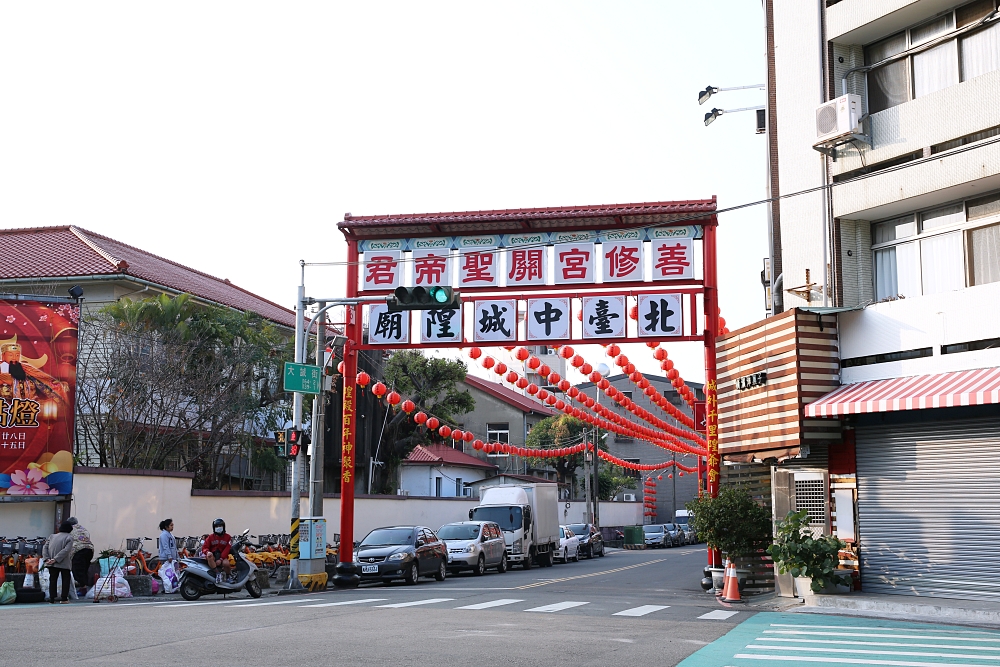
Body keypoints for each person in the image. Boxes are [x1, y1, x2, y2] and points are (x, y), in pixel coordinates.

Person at [43, 521, 74, 604]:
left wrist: (47, 559)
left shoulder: (52, 536)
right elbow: (66, 550)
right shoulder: (69, 537)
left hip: (51, 563)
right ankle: (64, 598)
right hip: (63, 562)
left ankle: (52, 599)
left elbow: (45, 547)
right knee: (65, 579)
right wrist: (56, 559)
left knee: (53, 580)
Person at [201, 518, 234, 584]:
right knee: (209, 556)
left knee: (226, 564)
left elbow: (227, 549)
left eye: (220, 526)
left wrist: (221, 559)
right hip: (213, 556)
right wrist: (208, 552)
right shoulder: (210, 537)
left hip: (222, 556)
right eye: (216, 526)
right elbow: (204, 547)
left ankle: (228, 577)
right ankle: (217, 573)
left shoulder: (228, 537)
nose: (218, 528)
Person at [67, 517, 94, 593]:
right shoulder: (83, 529)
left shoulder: (70, 529)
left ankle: (83, 588)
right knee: (84, 568)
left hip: (79, 550)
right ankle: (84, 587)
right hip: (90, 549)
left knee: (78, 569)